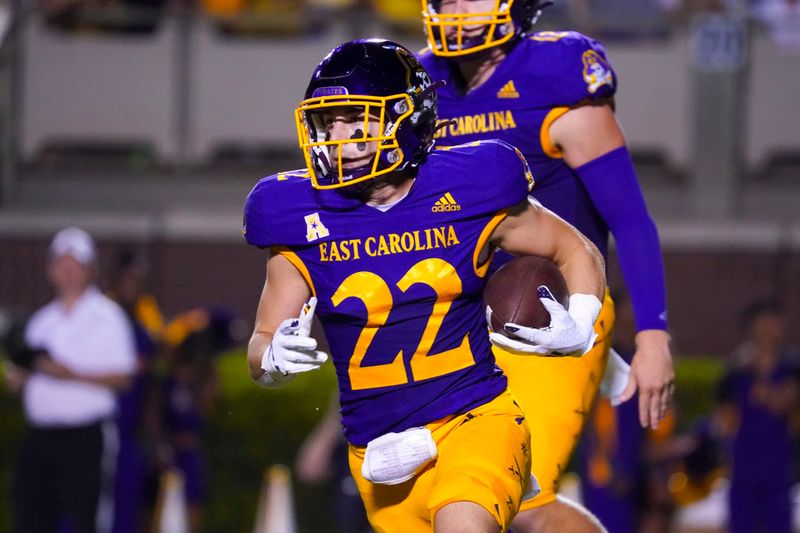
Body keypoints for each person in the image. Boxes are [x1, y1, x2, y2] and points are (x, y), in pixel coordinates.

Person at [243, 39, 606, 532]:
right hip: (378, 456)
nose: (337, 136)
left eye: (356, 119)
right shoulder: (295, 217)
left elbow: (575, 248)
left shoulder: (470, 186)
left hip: (475, 422)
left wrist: (581, 322)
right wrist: (271, 362)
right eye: (329, 121)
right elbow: (262, 340)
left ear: (406, 119)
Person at [417, 2, 675, 532]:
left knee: (516, 505)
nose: (459, 8)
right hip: (460, 323)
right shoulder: (419, 83)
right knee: (435, 501)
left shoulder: (555, 74)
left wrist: (652, 337)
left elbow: (629, 219)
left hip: (551, 316)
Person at [11, 227, 137, 533]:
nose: (67, 272)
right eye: (61, 264)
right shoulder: (41, 321)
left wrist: (69, 374)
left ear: (88, 270)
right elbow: (26, 373)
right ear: (51, 270)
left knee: (86, 516)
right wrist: (20, 376)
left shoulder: (108, 317)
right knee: (31, 514)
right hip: (40, 435)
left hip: (85, 437)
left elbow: (124, 376)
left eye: (74, 264)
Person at [717, 299, 800, 533]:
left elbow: (785, 404)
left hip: (778, 468)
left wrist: (762, 378)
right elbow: (725, 418)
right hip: (743, 468)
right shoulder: (735, 371)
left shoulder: (790, 367)